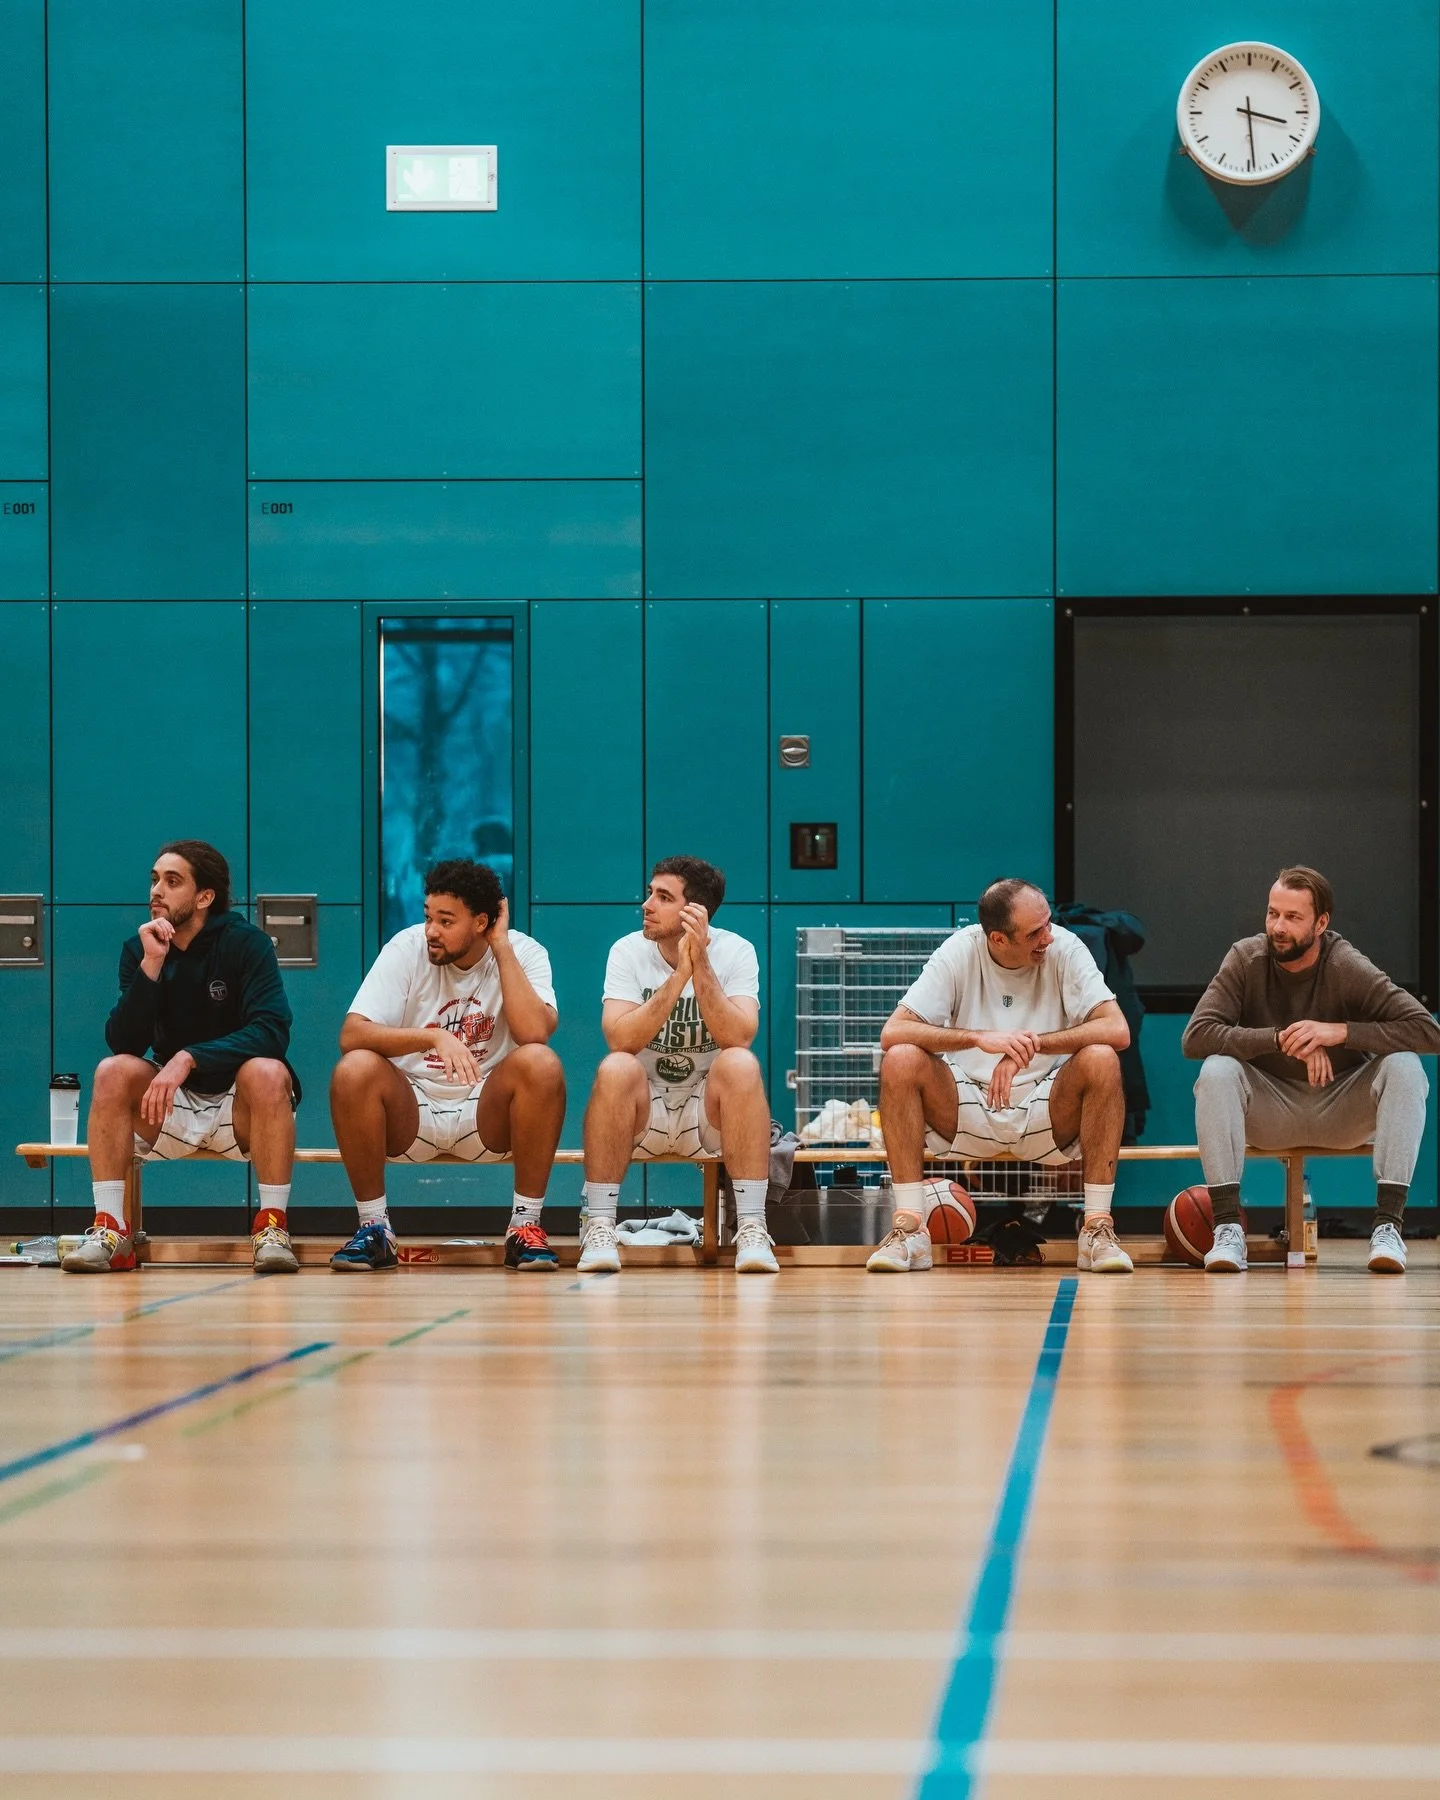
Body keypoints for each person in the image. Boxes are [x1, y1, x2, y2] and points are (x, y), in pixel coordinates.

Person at [867, 877, 1133, 1275]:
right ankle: (910, 1228)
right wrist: (979, 1038)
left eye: (1047, 923)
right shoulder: (961, 950)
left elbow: (1117, 1029)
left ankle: (1096, 1228)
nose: (1048, 937)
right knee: (901, 1058)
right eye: (1034, 933)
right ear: (998, 939)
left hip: (1046, 1106)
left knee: (1102, 1057)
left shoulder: (1064, 946)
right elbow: (894, 1031)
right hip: (966, 1104)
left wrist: (1030, 1046)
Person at [1183, 865, 1439, 1274]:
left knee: (1406, 1067)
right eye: (1272, 913)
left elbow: (1428, 1031)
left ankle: (1389, 1228)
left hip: (1341, 1106)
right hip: (1270, 1108)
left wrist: (1338, 1032)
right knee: (1215, 1071)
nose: (1277, 927)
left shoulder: (1345, 964)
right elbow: (1195, 1037)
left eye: (1292, 917)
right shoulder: (1246, 958)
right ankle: (1228, 1229)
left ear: (1322, 923)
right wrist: (1282, 1038)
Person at [64, 840, 300, 1275]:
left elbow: (272, 1032)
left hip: (240, 1107)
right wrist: (151, 966)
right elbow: (125, 1042)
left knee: (269, 1071)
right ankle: (111, 1230)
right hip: (171, 1106)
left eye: (172, 881)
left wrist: (189, 1056)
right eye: (155, 879)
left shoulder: (247, 943)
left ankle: (272, 1228)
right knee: (111, 1072)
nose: (157, 890)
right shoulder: (140, 948)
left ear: (204, 897)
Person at [329, 859, 564, 1270]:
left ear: (481, 922)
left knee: (541, 1063)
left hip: (484, 1108)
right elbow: (352, 1034)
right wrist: (435, 1036)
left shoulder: (525, 952)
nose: (431, 931)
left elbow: (534, 1033)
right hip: (412, 1110)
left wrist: (502, 946)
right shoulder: (406, 948)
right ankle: (374, 1229)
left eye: (446, 921)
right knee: (354, 1068)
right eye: (428, 917)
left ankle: (524, 1227)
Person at [578, 856, 775, 1274]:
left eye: (663, 897)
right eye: (650, 892)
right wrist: (677, 976)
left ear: (694, 912)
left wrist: (699, 963)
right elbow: (620, 1037)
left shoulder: (736, 951)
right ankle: (598, 1227)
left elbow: (738, 1036)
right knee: (615, 1066)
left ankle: (753, 1228)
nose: (647, 904)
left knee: (741, 1063)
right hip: (644, 1106)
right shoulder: (628, 950)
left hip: (707, 1110)